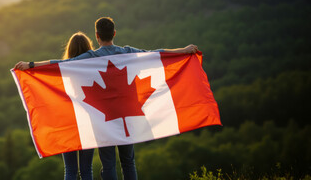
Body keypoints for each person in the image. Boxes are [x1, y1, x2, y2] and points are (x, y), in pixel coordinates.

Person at [14, 17, 198, 180]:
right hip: (128, 116)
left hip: (103, 120)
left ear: (97, 35)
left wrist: (31, 65)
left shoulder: (90, 57)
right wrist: (184, 50)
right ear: (114, 33)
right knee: (128, 163)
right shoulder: (127, 52)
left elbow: (61, 65)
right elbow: (155, 55)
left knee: (108, 165)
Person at [60, 32, 96, 180]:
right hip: (89, 120)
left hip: (68, 121)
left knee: (70, 169)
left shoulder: (63, 70)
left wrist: (30, 66)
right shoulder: (95, 68)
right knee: (87, 169)